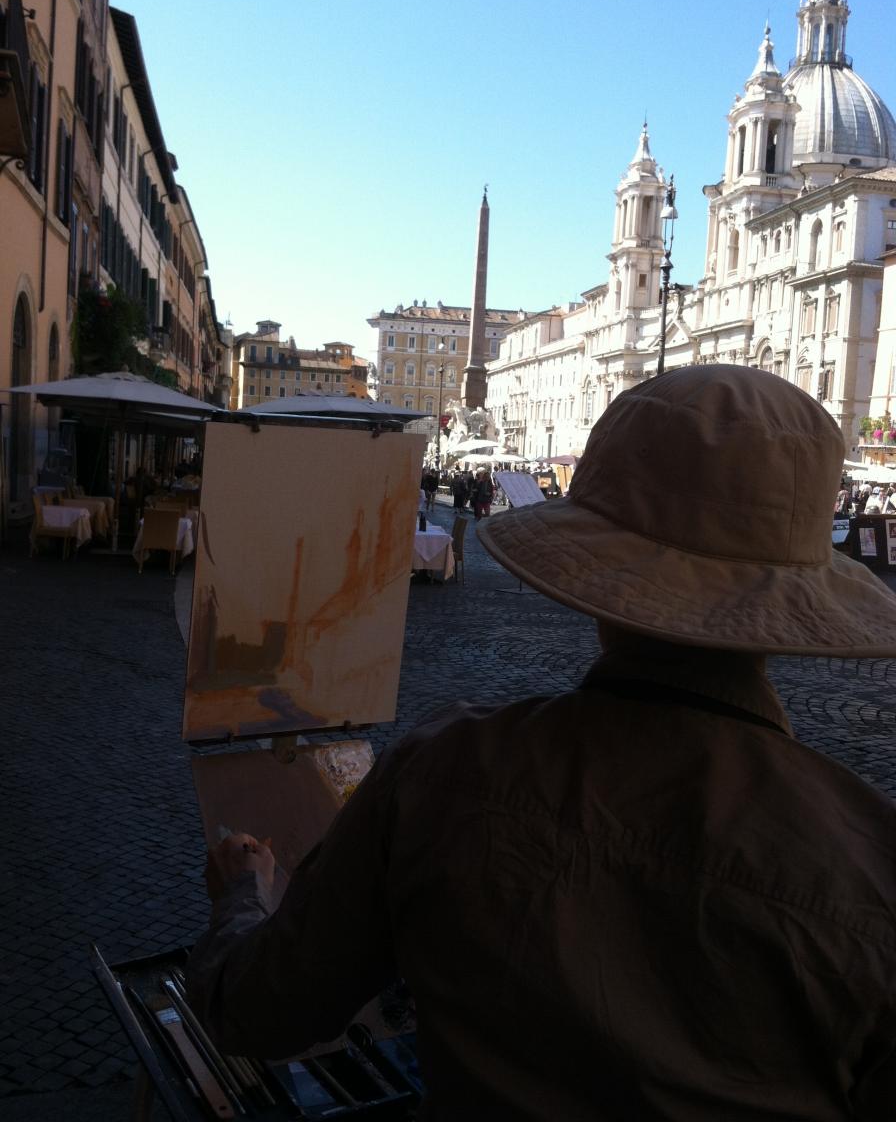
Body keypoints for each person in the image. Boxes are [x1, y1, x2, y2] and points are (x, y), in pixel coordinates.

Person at [187, 367, 896, 1120]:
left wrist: (242, 899)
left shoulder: (444, 773)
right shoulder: (874, 869)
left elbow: (259, 1008)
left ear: (599, 582)